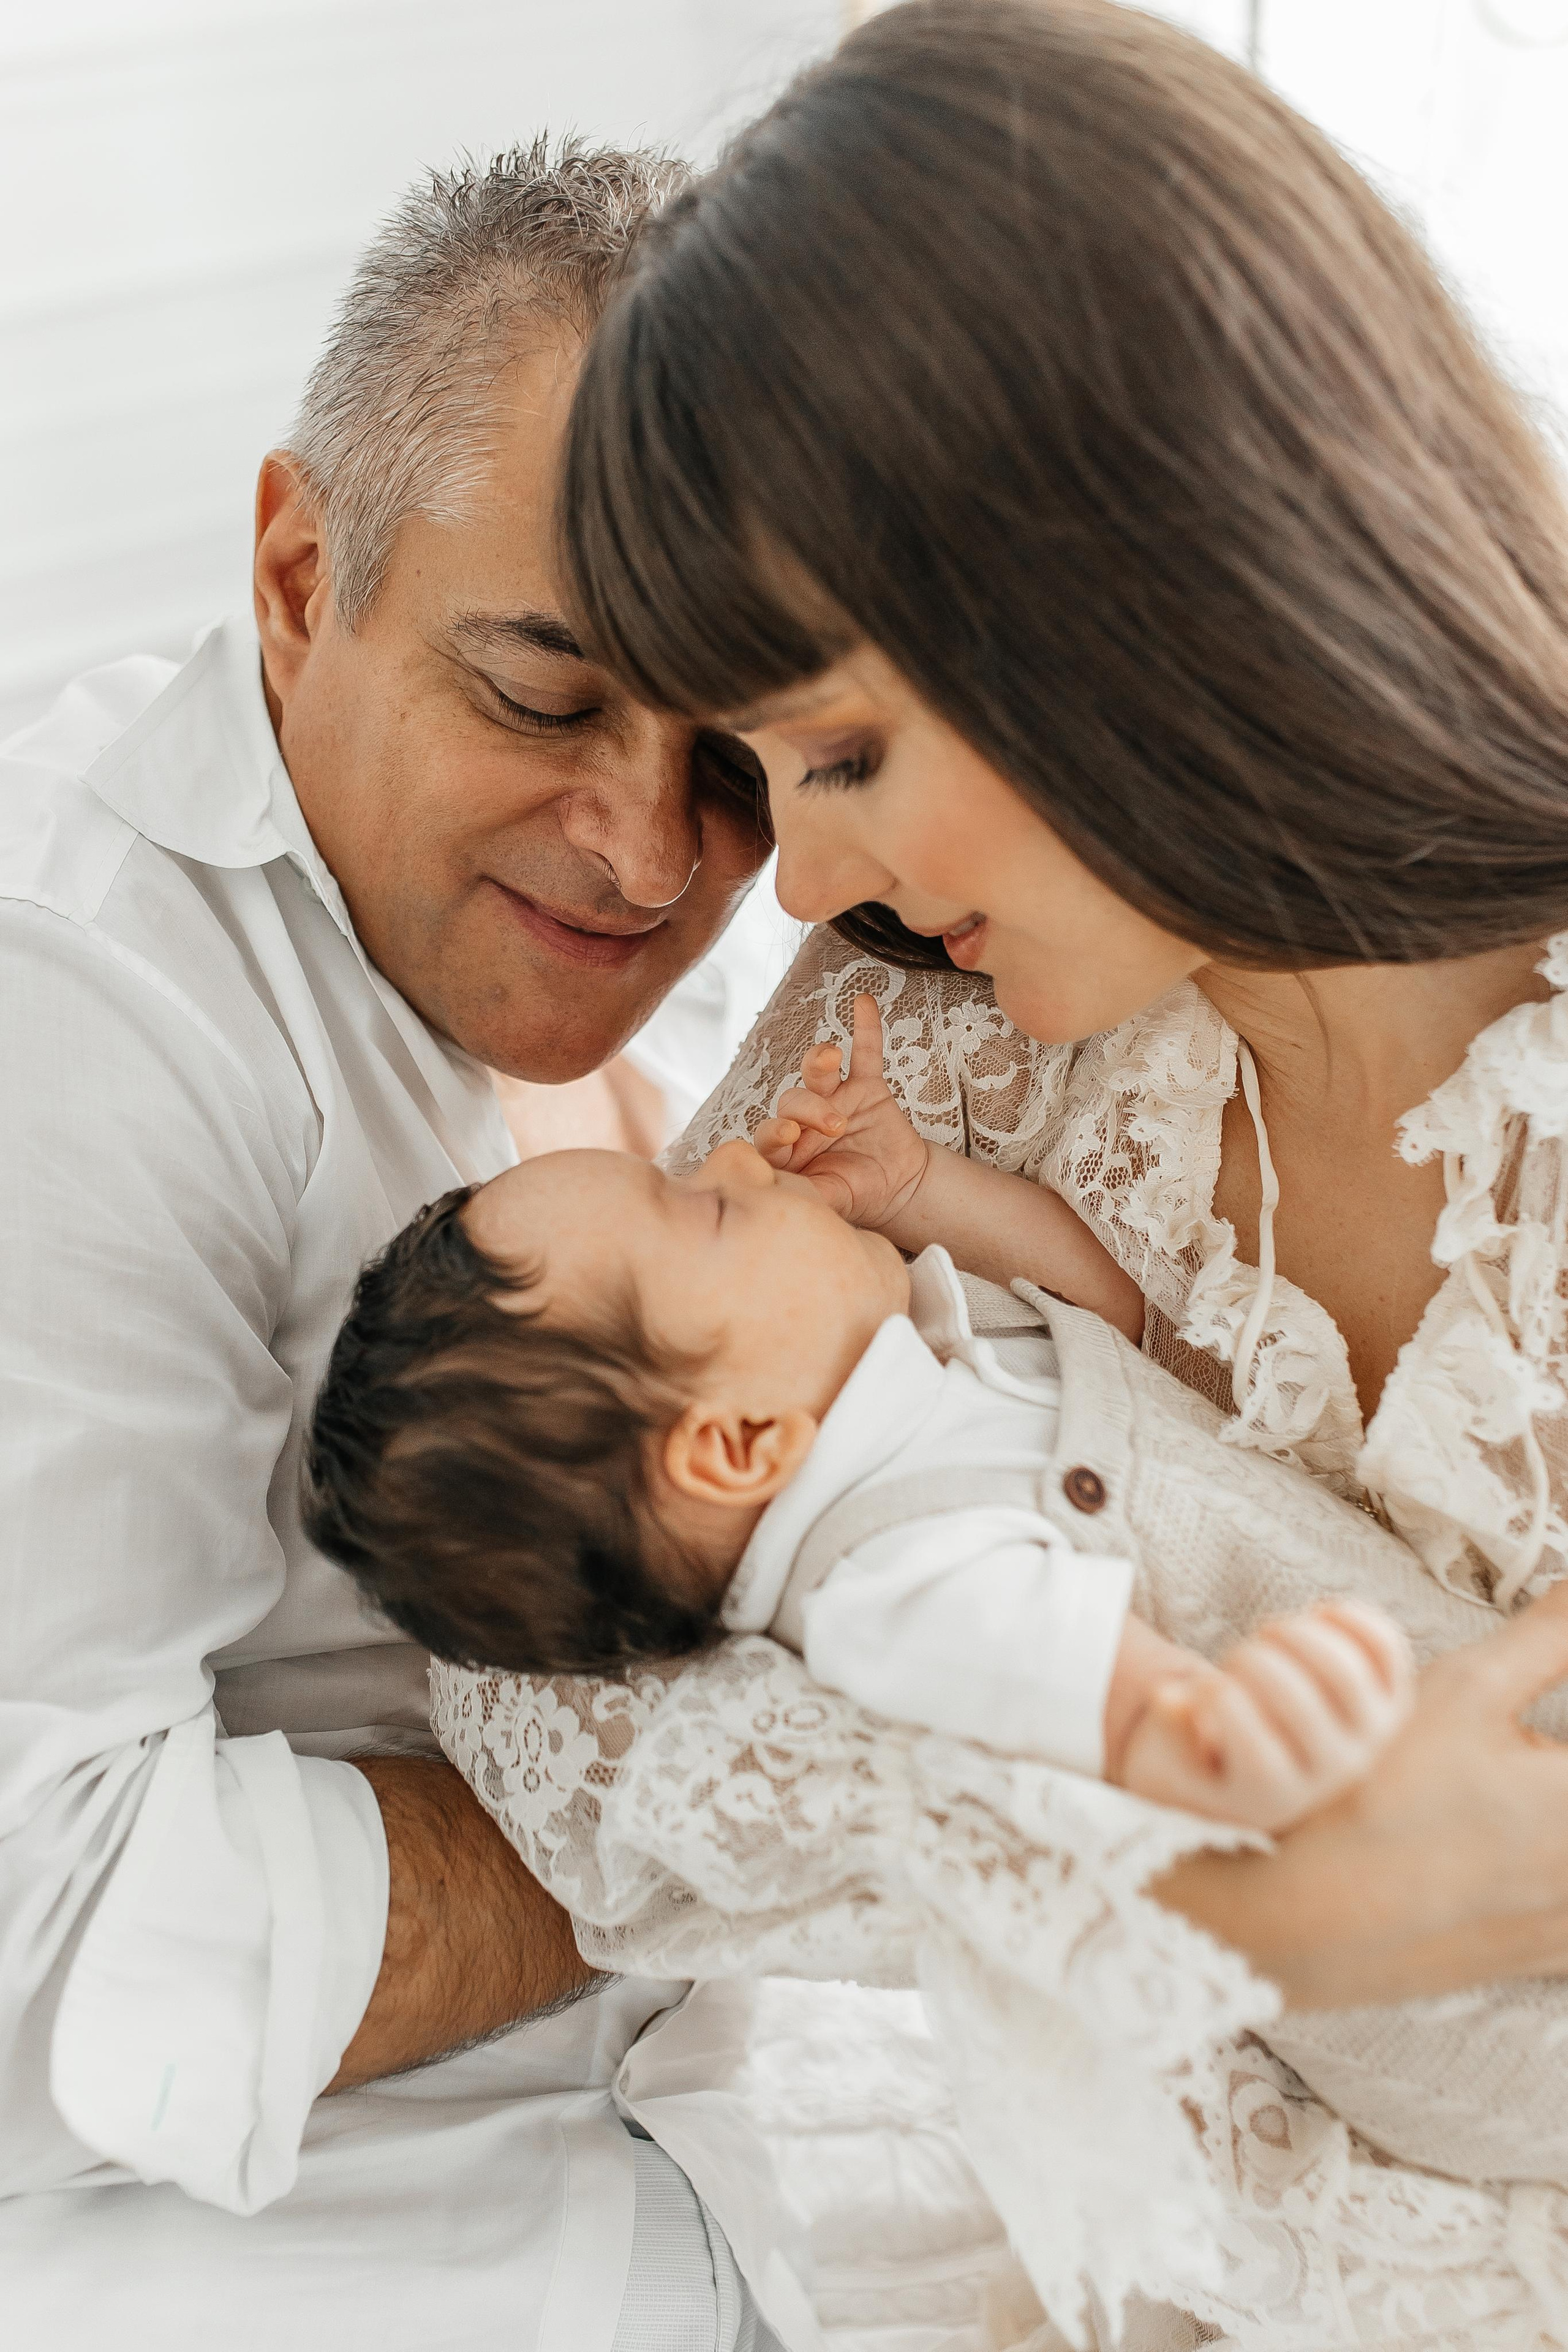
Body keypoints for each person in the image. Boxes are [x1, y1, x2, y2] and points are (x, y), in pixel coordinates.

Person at [423, 2, 1568, 2340]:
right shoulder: (915, 1029)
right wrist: (1193, 1883)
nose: (789, 865)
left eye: (837, 745)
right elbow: (539, 1686)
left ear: (1137, 588)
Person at [0, 141, 801, 2352]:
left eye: (732, 747)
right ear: (293, 571)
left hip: (696, 2176)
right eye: (542, 696)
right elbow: (34, 1966)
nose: (650, 848)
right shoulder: (70, 1006)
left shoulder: (744, 963)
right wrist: (782, 1804)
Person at [304, 1012, 1414, 1838]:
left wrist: (916, 1185)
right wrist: (1222, 1741)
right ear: (738, 1445)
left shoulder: (909, 1366)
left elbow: (1119, 1314)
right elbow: (1144, 1734)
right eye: (707, 1207)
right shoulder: (891, 1583)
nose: (734, 1155)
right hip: (1404, 1786)